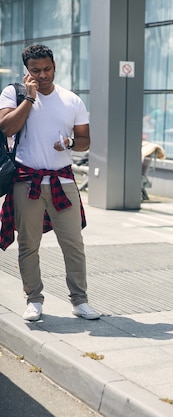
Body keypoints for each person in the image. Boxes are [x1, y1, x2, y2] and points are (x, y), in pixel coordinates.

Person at [0, 44, 101, 321]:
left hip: (62, 180)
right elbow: (7, 127)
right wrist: (29, 100)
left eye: (47, 69)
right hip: (26, 180)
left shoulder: (72, 100)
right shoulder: (14, 93)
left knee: (73, 243)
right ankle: (34, 299)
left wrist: (69, 142)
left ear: (55, 66)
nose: (42, 75)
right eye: (36, 70)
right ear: (27, 71)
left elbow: (85, 141)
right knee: (28, 244)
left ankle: (80, 300)